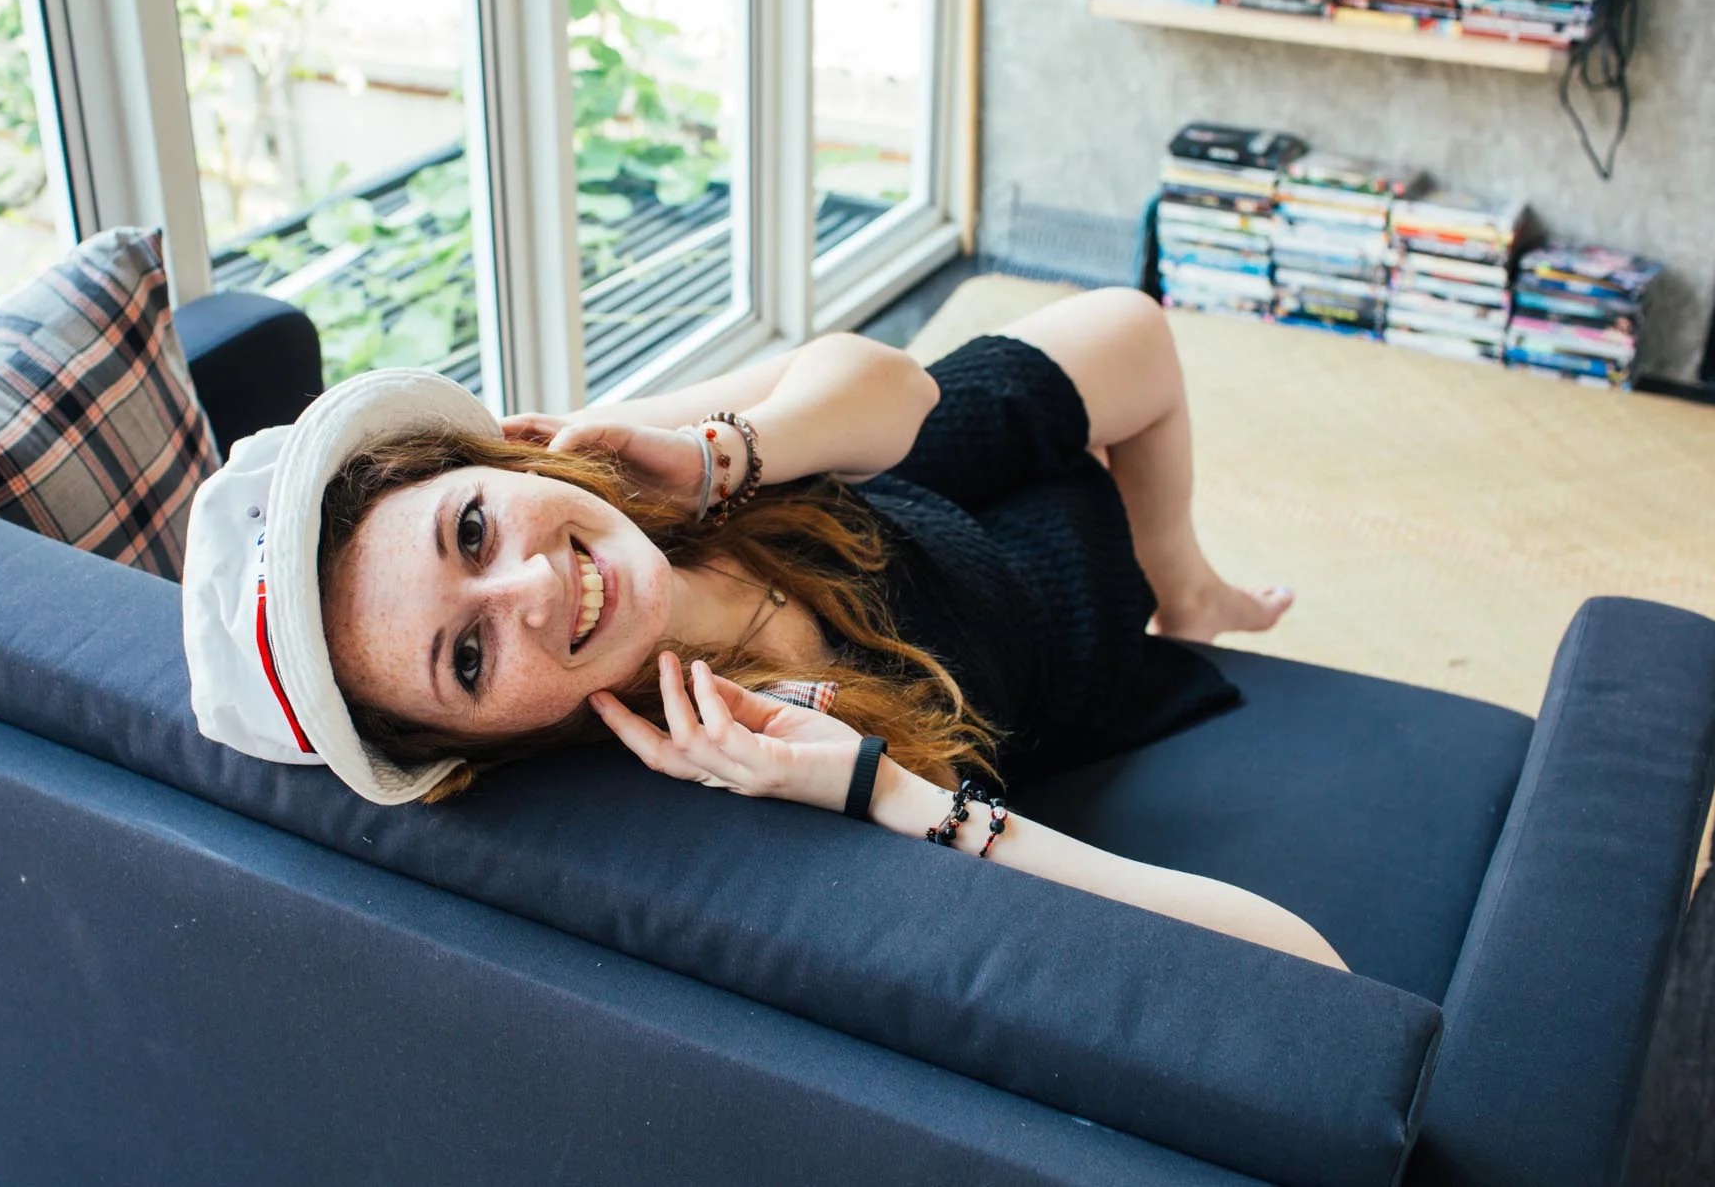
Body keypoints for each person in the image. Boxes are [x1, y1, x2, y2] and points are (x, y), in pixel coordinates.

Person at [181, 288, 1342, 969]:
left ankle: (1190, 587)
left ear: (488, 462)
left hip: (886, 501)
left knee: (1126, 329)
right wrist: (882, 791)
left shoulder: (603, 477)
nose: (533, 586)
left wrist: (717, 457)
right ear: (472, 746)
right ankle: (1166, 589)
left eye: (471, 528)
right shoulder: (746, 751)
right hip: (1028, 617)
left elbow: (890, 386)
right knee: (1098, 460)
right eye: (468, 656)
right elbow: (1291, 965)